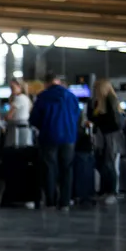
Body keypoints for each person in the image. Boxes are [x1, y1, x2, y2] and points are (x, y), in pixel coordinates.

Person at [30, 72, 81, 210]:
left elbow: (34, 118)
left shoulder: (43, 97)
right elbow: (77, 115)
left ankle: (51, 201)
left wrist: (43, 127)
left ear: (46, 83)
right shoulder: (71, 96)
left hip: (49, 136)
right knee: (67, 169)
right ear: (58, 81)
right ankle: (65, 202)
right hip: (69, 137)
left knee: (50, 168)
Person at [88, 78, 123, 205]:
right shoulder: (97, 102)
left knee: (109, 163)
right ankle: (104, 191)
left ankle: (111, 191)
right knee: (101, 163)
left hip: (110, 135)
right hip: (102, 135)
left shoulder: (110, 101)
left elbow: (115, 121)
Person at [4, 78, 32, 148]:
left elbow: (9, 116)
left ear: (19, 87)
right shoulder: (25, 98)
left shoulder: (19, 98)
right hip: (23, 129)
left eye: (13, 88)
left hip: (17, 131)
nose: (11, 90)